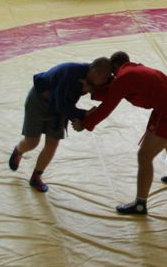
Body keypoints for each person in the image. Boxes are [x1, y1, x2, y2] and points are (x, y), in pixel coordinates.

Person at [76, 51, 167, 215]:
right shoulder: (133, 70)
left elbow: (107, 106)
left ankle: (140, 204)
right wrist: (93, 91)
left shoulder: (124, 77)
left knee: (144, 156)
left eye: (110, 75)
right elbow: (116, 92)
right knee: (166, 138)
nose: (110, 78)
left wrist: (84, 124)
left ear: (115, 67)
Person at [8, 58, 113, 193]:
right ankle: (18, 151)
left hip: (58, 109)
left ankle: (36, 176)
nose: (104, 81)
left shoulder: (93, 77)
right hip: (39, 102)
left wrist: (91, 90)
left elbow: (108, 94)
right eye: (104, 78)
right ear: (94, 71)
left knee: (52, 145)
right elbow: (61, 105)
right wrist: (84, 114)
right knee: (32, 142)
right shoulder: (71, 73)